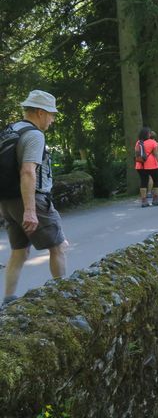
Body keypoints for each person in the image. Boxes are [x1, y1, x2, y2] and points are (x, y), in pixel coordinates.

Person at [1, 90, 66, 305]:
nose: (53, 120)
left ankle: (8, 299)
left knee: (19, 251)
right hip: (32, 200)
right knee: (57, 246)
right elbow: (28, 171)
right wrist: (30, 210)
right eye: (51, 114)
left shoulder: (11, 130)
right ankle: (63, 295)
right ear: (40, 112)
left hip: (7, 201)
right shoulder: (34, 135)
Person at [135, 127, 158, 207]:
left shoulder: (138, 143)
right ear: (147, 134)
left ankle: (144, 201)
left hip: (140, 165)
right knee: (156, 181)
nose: (150, 134)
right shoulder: (153, 142)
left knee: (143, 182)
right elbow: (156, 155)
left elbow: (137, 154)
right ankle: (155, 199)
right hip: (152, 165)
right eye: (149, 133)